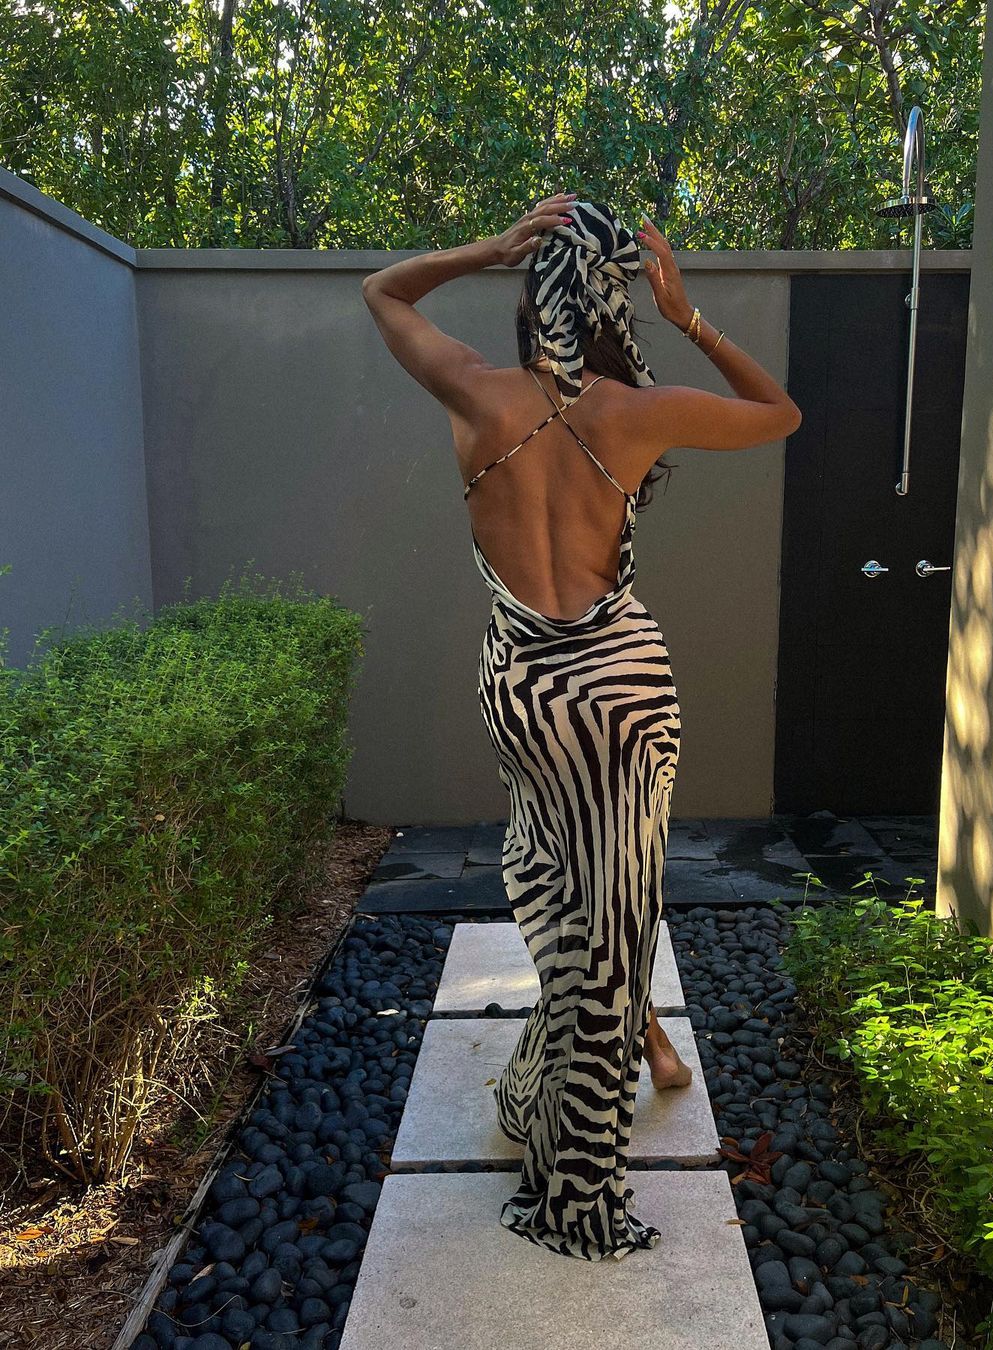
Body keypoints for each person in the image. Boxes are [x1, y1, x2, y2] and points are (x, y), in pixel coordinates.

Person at [362, 194, 801, 1260]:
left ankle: (606, 1057)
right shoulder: (638, 413)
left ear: (531, 296)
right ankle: (594, 1138)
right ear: (615, 308)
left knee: (559, 883)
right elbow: (781, 413)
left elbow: (382, 291)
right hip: (623, 688)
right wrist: (689, 318)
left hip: (526, 690)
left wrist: (484, 247)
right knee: (618, 899)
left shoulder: (476, 391)